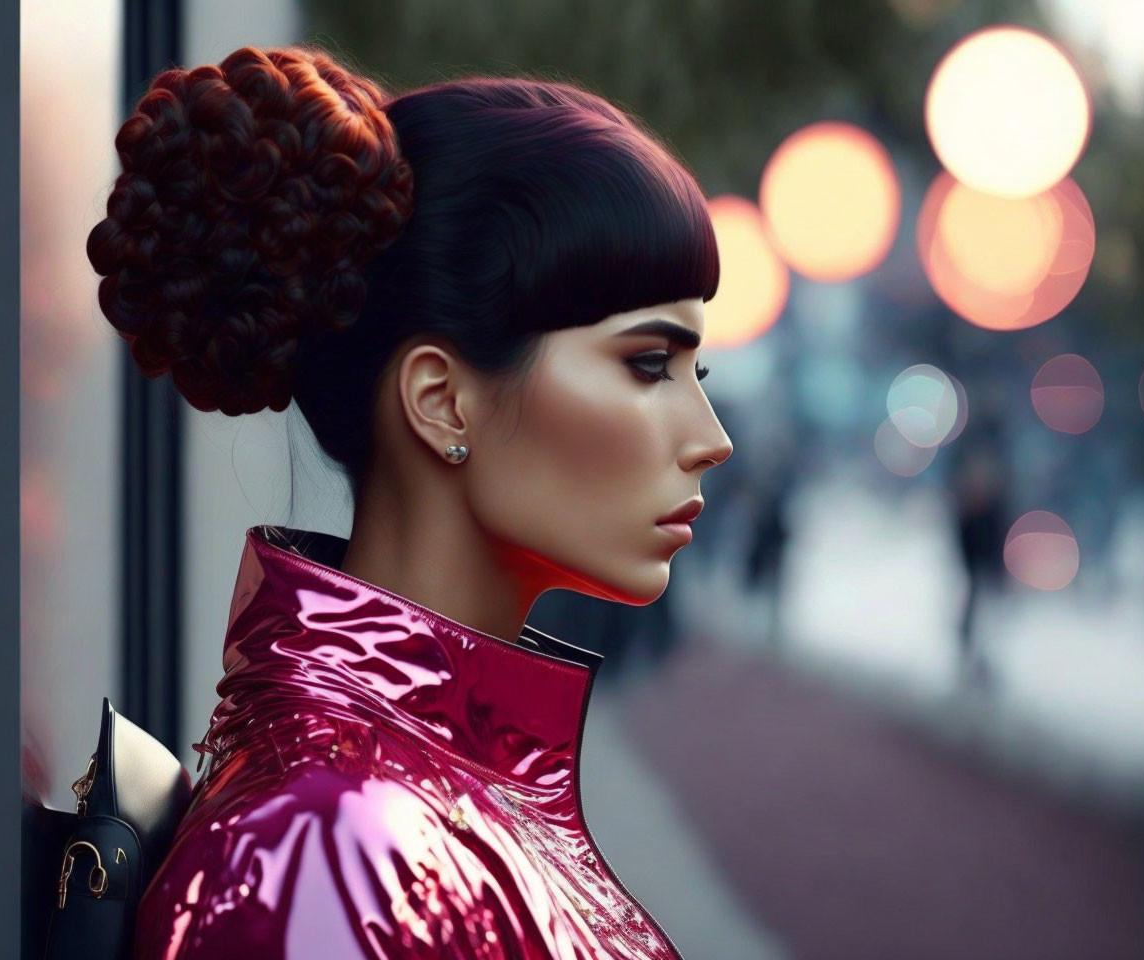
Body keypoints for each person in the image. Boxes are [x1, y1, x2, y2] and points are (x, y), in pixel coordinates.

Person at [87, 42, 732, 959]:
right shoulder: (327, 848)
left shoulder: (407, 803)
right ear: (440, 401)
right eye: (646, 365)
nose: (712, 435)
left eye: (694, 370)